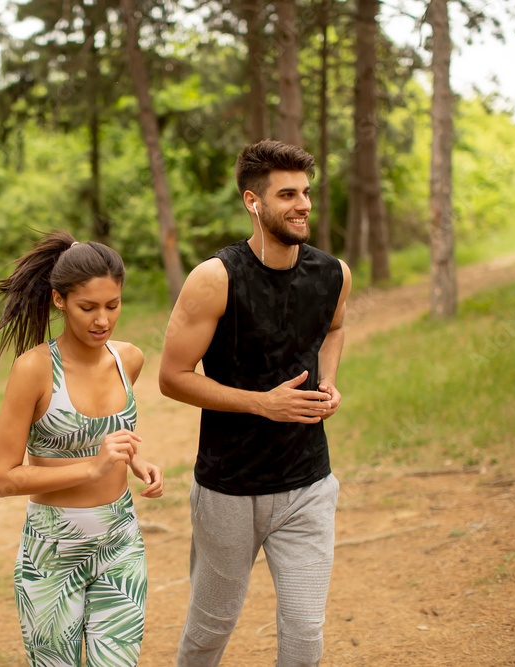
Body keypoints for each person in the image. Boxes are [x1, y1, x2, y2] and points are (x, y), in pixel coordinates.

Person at [159, 140, 352, 667]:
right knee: (209, 630)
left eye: (306, 192)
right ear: (253, 201)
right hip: (229, 488)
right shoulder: (215, 278)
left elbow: (333, 329)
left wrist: (329, 380)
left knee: (305, 631)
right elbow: (172, 378)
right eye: (287, 194)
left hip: (308, 483)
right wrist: (261, 404)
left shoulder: (333, 273)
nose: (303, 204)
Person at [0, 230, 164, 667]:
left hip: (120, 541)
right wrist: (91, 468)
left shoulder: (129, 360)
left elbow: (104, 433)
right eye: (88, 307)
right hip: (53, 550)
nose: (102, 320)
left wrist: (134, 459)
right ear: (60, 300)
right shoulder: (34, 370)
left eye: (112, 305)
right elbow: (2, 478)